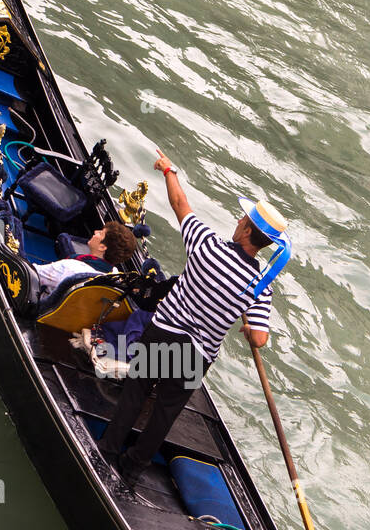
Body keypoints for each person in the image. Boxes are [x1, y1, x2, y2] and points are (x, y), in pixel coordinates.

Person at [99, 150, 286, 487]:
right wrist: (246, 326)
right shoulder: (260, 286)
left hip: (163, 333)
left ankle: (108, 450)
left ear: (246, 231)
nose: (237, 222)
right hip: (196, 355)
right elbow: (259, 338)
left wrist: (169, 169)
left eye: (241, 221)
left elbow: (180, 204)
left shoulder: (207, 245)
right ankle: (133, 468)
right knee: (165, 414)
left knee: (136, 392)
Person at [34, 221, 137, 297]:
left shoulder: (69, 267)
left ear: (102, 247)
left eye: (100, 233)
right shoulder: (114, 276)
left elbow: (33, 273)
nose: (95, 231)